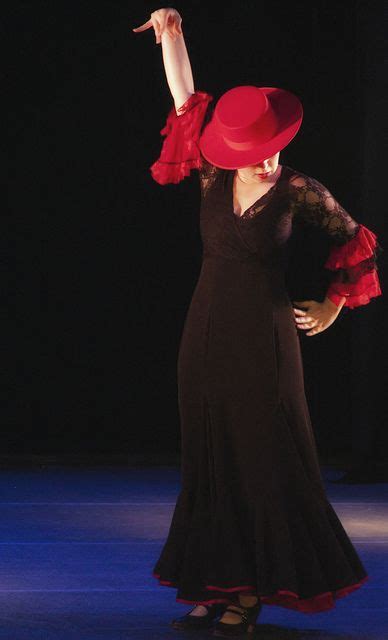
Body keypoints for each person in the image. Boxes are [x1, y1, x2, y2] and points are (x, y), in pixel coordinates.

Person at [133, 8, 383, 637]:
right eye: (257, 152)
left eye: (275, 149)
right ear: (230, 150)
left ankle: (252, 590)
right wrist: (173, 35)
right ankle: (217, 585)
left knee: (264, 457)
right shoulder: (212, 175)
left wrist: (333, 303)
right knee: (211, 457)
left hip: (266, 336)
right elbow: (185, 100)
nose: (270, 161)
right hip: (207, 328)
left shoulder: (299, 189)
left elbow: (358, 243)